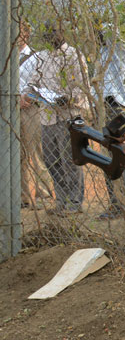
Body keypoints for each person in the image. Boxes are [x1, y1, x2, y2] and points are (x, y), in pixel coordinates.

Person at [23, 23, 88, 215]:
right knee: (51, 160)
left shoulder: (74, 56)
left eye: (54, 32)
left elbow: (82, 87)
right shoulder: (42, 56)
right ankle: (61, 200)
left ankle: (75, 203)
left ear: (63, 33)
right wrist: (29, 93)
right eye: (47, 33)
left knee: (69, 161)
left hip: (67, 116)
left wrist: (69, 99)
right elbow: (32, 82)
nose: (50, 36)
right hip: (46, 116)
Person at [97, 26, 125, 220]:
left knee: (115, 155)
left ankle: (120, 202)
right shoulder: (100, 55)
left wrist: (107, 29)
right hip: (101, 108)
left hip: (113, 107)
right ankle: (115, 201)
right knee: (107, 157)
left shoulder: (116, 54)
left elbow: (123, 46)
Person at [17, 27, 51, 208]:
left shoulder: (35, 57)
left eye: (20, 32)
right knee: (19, 154)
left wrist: (28, 96)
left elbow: (42, 82)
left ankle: (43, 192)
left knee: (36, 152)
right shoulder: (6, 56)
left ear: (26, 35)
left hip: (31, 108)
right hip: (11, 108)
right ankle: (23, 196)